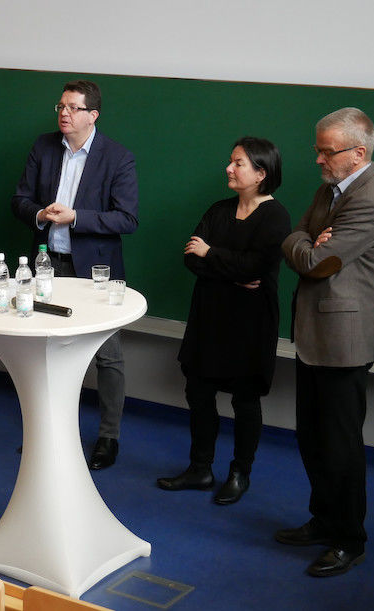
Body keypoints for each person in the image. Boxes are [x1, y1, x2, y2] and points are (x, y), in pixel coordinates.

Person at [276, 107, 374, 577]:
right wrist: (306, 241)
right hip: (315, 334)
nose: (320, 160)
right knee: (312, 435)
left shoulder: (372, 199)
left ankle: (350, 539)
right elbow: (297, 235)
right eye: (318, 150)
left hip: (344, 340)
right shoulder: (331, 188)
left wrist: (307, 245)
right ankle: (323, 521)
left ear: (358, 152)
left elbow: (314, 261)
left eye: (328, 151)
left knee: (341, 444)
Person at [10, 80, 138, 470]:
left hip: (96, 272)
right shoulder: (44, 146)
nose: (63, 113)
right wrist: (40, 214)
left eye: (73, 108)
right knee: (46, 351)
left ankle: (108, 437)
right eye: (60, 106)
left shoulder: (117, 157)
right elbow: (19, 200)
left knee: (108, 358)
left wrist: (77, 217)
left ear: (92, 115)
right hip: (49, 266)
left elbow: (127, 218)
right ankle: (50, 432)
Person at [157, 137, 290, 504]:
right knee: (198, 393)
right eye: (230, 162)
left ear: (261, 173)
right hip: (209, 319)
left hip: (250, 324)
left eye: (238, 163)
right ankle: (200, 469)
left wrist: (212, 253)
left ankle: (239, 473)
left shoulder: (276, 216)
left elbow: (256, 266)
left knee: (245, 401)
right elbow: (191, 259)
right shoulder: (218, 210)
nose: (228, 168)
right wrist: (230, 271)